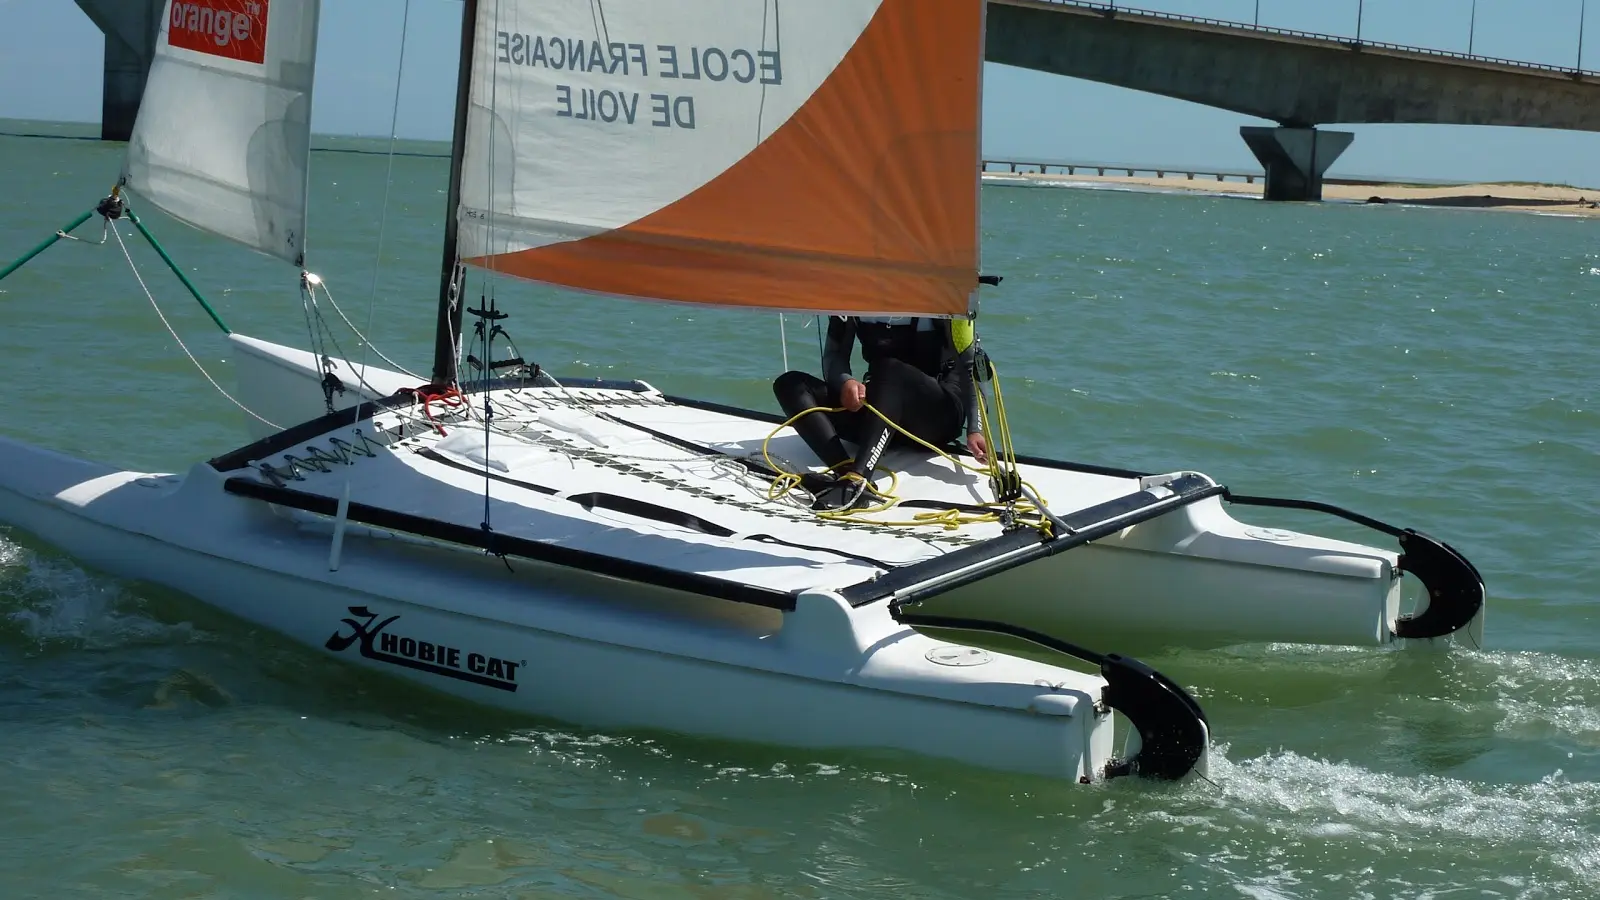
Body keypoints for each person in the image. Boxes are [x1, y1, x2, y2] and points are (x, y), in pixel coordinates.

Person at [772, 314, 988, 510]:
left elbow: (970, 371)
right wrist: (845, 382)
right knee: (790, 384)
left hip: (936, 418)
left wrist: (975, 428)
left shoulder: (940, 299)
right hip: (882, 415)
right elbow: (834, 357)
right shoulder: (852, 298)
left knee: (890, 368)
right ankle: (844, 469)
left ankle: (859, 479)